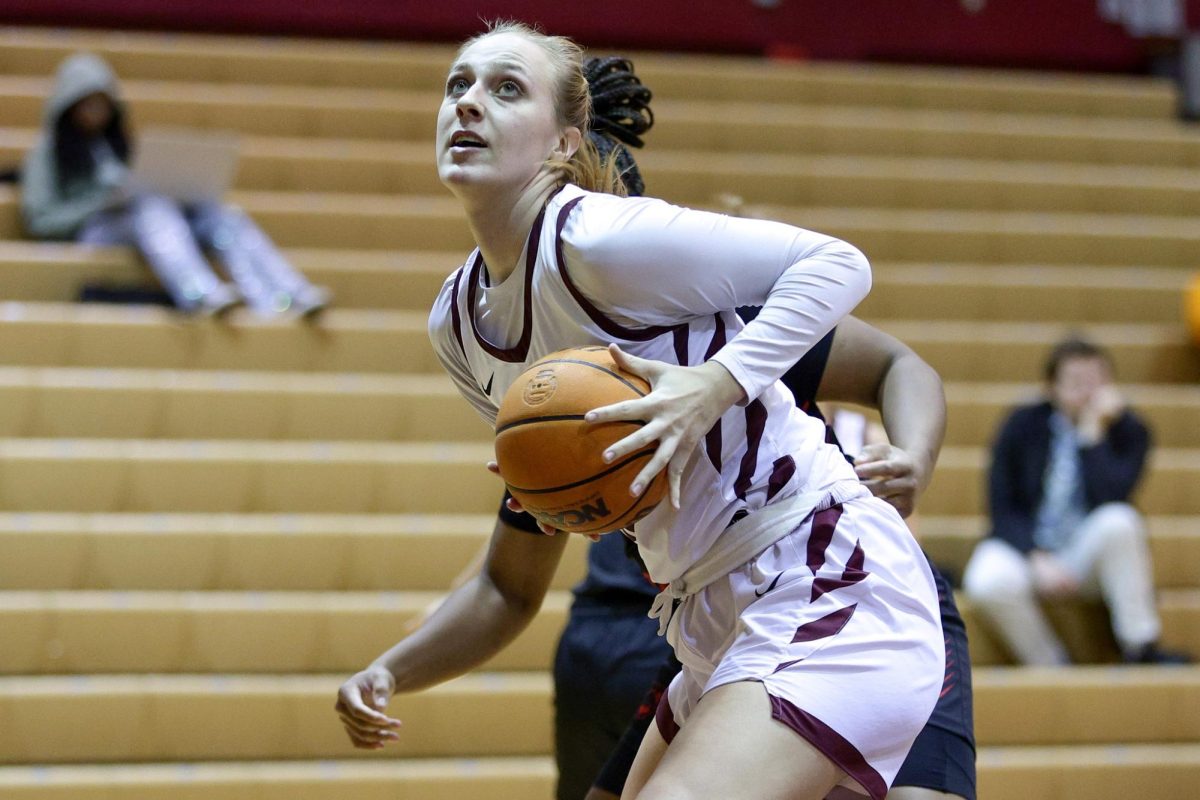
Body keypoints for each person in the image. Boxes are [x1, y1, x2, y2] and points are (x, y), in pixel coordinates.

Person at [336, 22, 944, 800]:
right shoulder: (457, 324)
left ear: (562, 143)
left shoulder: (599, 237)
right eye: (458, 84)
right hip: (706, 612)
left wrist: (716, 383)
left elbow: (838, 264)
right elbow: (537, 549)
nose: (469, 104)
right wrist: (556, 493)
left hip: (823, 566)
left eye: (505, 88)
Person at [548, 56, 972, 800]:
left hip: (835, 575)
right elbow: (504, 582)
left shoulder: (733, 329)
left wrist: (915, 456)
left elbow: (901, 367)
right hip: (710, 610)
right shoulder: (555, 382)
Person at [20, 52, 330, 317]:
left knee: (222, 216)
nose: (95, 113)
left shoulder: (120, 148)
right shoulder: (46, 155)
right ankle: (197, 292)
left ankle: (282, 295)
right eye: (86, 105)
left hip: (147, 223)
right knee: (151, 208)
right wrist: (102, 203)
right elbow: (42, 221)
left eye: (101, 105)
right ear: (68, 106)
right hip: (95, 232)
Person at [962, 337, 1189, 666]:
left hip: (1086, 553)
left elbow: (1111, 496)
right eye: (1076, 382)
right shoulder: (1021, 424)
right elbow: (1001, 505)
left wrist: (1091, 436)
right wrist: (1034, 556)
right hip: (1029, 551)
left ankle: (1140, 647)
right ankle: (1049, 664)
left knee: (1120, 520)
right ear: (1051, 387)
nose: (1088, 392)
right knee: (986, 581)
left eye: (1097, 381)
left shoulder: (1131, 431)